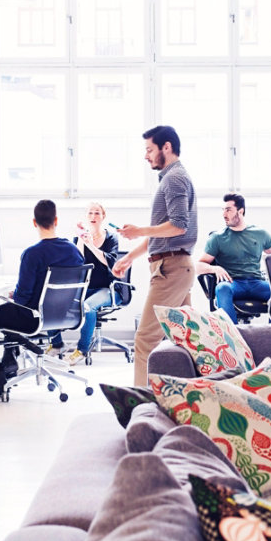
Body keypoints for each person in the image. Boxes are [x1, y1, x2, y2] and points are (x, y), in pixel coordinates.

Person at [0, 200, 85, 397]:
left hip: (31, 318)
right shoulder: (73, 250)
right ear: (56, 220)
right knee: (6, 312)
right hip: (63, 316)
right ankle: (9, 360)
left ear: (34, 223)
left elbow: (22, 298)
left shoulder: (32, 254)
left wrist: (13, 295)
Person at [113, 126, 197, 386]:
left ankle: (140, 404)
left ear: (166, 147)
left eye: (149, 149)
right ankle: (189, 394)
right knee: (186, 338)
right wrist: (130, 257)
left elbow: (178, 225)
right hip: (175, 266)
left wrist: (139, 230)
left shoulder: (174, 179)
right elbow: (163, 233)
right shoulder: (172, 178)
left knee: (145, 340)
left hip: (171, 270)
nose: (146, 155)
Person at [48, 201, 121, 365]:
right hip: (84, 288)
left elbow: (108, 262)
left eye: (97, 213)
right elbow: (78, 262)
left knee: (87, 307)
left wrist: (90, 244)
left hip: (107, 288)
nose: (93, 216)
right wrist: (81, 239)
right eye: (90, 213)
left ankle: (82, 350)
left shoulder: (111, 238)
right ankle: (56, 344)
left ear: (103, 217)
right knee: (50, 301)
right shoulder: (80, 238)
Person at [196, 193, 271, 323]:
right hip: (233, 283)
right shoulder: (217, 238)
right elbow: (198, 266)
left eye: (228, 210)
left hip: (256, 283)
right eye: (223, 210)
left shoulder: (260, 234)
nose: (224, 214)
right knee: (222, 288)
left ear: (240, 211)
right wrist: (215, 269)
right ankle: (233, 335)